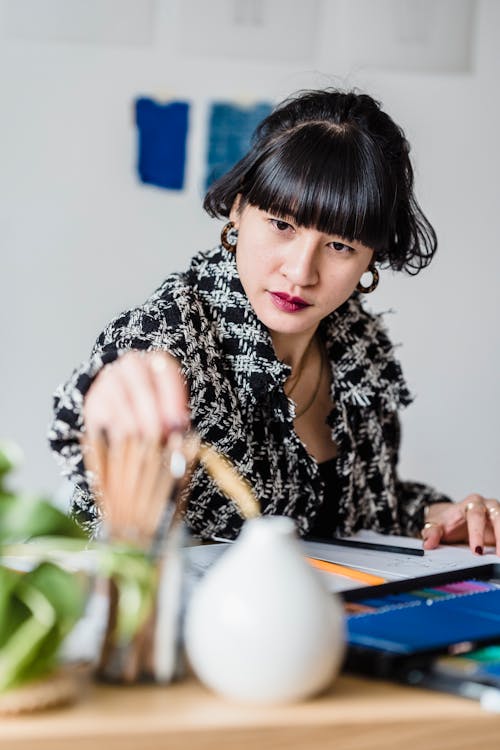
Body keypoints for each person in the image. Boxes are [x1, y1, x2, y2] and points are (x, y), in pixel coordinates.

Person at [48, 88, 499, 554]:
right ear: (239, 210)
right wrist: (103, 416)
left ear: (371, 260)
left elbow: (360, 510)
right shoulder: (169, 337)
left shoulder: (359, 343)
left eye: (340, 246)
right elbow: (97, 508)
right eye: (282, 225)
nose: (301, 272)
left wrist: (442, 516)